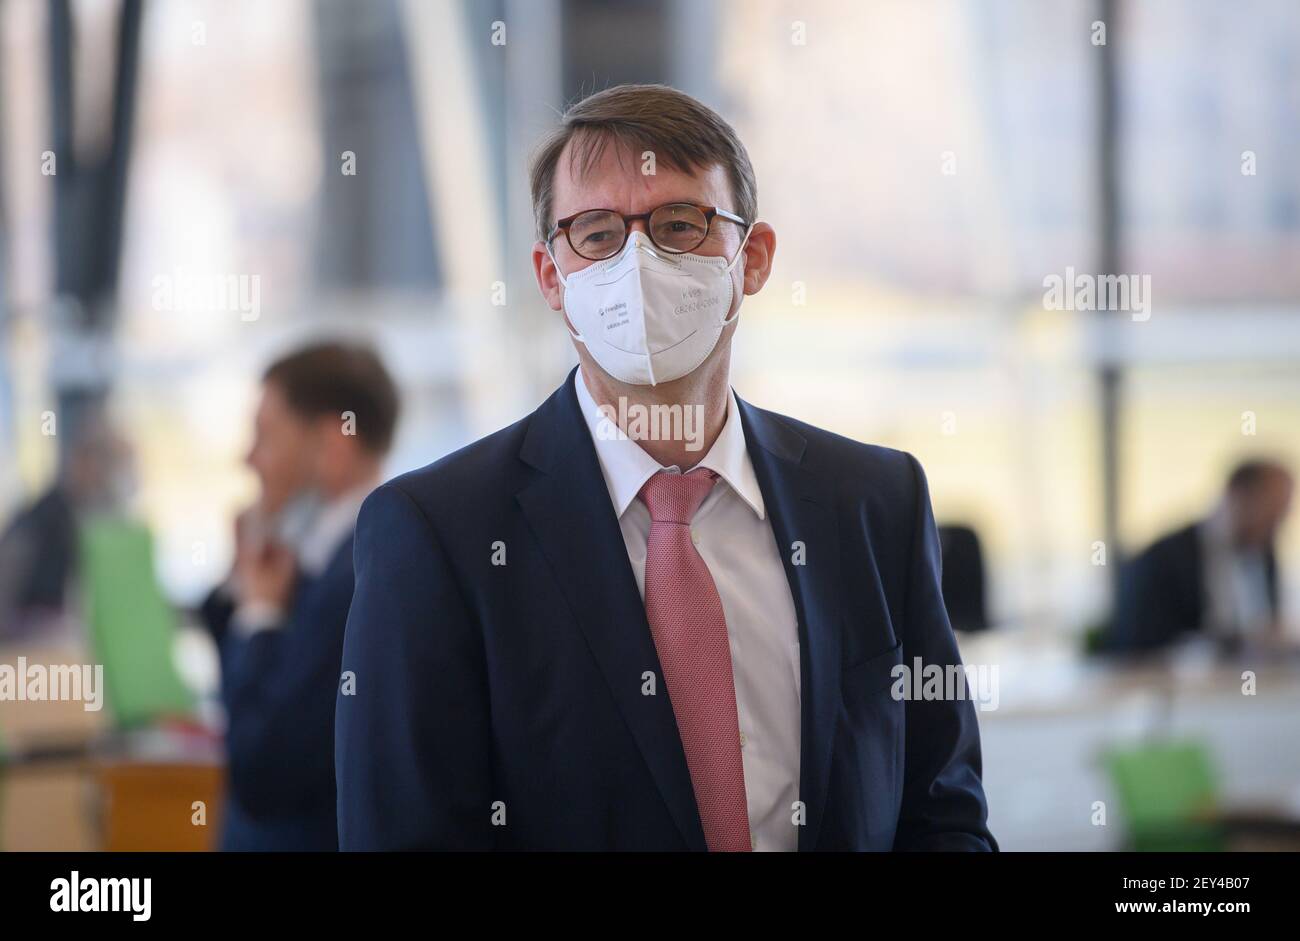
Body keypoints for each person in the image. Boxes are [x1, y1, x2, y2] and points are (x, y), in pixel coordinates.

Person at [337, 84, 994, 851]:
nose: (639, 261)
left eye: (682, 224)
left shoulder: (874, 504)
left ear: (753, 259)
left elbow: (942, 811)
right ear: (551, 277)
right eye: (597, 233)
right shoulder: (440, 534)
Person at [201, 342, 398, 851]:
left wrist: (260, 614)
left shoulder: (354, 582)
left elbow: (262, 771)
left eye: (265, 436)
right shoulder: (317, 566)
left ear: (333, 446)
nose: (248, 459)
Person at [1110, 458, 1293, 653]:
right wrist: (1232, 644)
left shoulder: (1262, 551)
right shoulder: (1162, 559)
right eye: (1272, 512)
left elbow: (1267, 628)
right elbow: (1141, 647)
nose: (1277, 523)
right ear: (1238, 495)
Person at [0, 406, 132, 643]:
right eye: (104, 465)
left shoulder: (88, 515)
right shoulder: (48, 513)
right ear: (82, 461)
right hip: (32, 630)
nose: (105, 477)